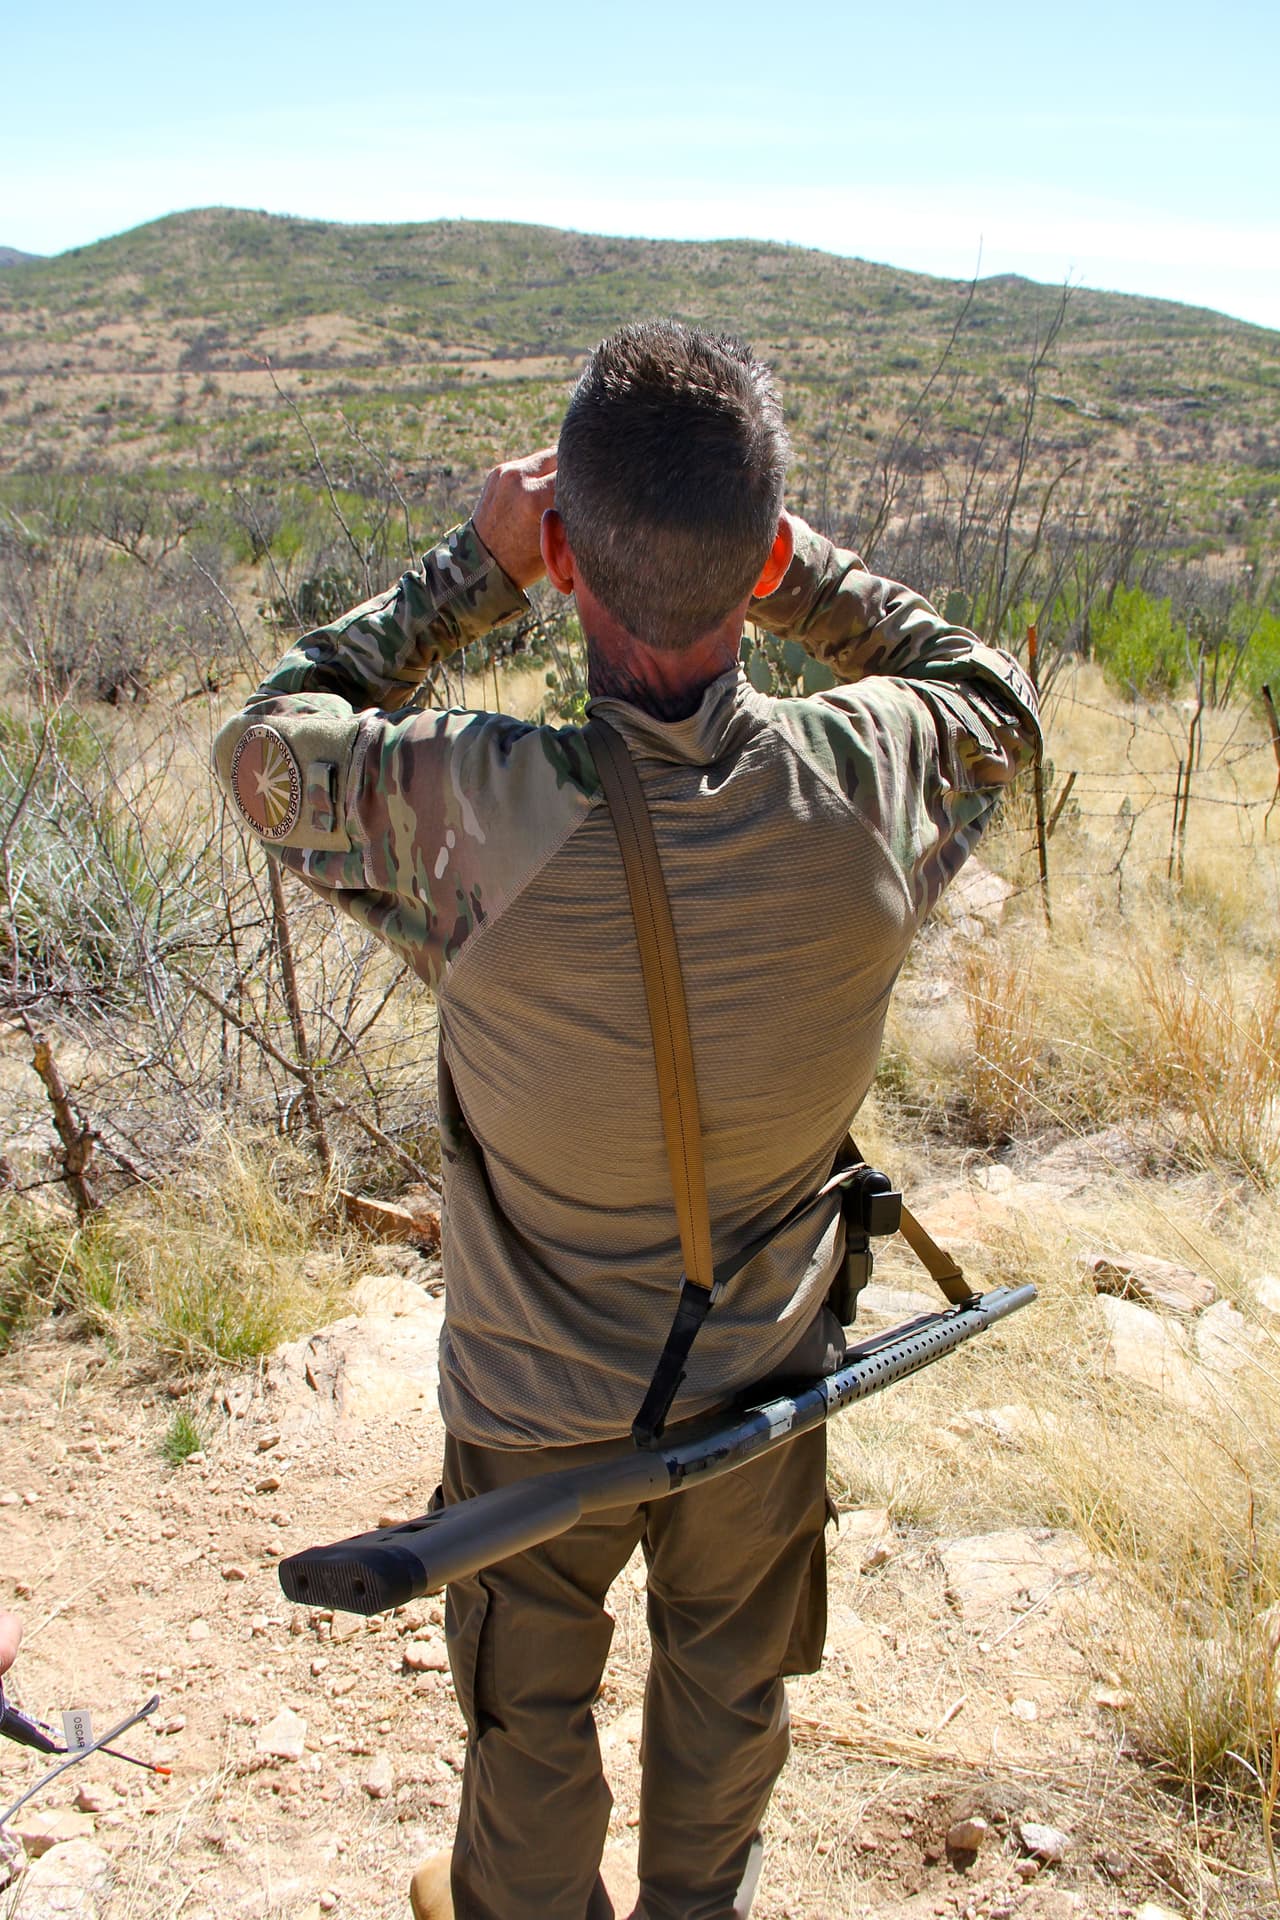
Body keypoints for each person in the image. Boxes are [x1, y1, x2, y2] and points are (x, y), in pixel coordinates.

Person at [213, 321, 1039, 1920]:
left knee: (527, 1724)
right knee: (730, 1700)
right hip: (761, 1384)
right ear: (758, 568)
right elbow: (990, 693)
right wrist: (794, 568)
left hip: (532, 1416)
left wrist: (473, 569)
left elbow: (258, 748)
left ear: (571, 561)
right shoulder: (871, 780)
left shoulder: (473, 809)